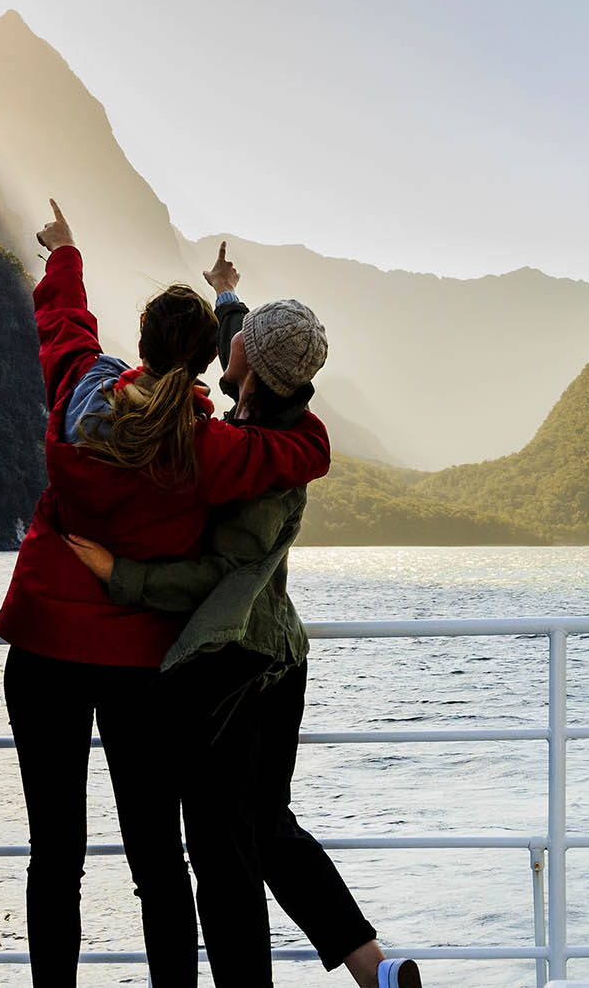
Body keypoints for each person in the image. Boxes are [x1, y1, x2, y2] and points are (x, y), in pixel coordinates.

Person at [0, 204, 333, 987]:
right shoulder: (208, 447)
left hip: (44, 643)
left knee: (55, 857)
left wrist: (67, 252)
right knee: (157, 860)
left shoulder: (84, 390)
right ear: (209, 360)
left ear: (138, 342)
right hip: (136, 660)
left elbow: (66, 330)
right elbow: (304, 449)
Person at [67, 258, 421, 988]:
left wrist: (120, 575)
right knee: (267, 828)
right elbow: (245, 337)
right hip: (280, 658)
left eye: (240, 345)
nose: (227, 347)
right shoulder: (272, 404)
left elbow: (212, 576)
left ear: (251, 373)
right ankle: (376, 970)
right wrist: (227, 292)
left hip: (237, 670)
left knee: (225, 857)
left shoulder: (269, 467)